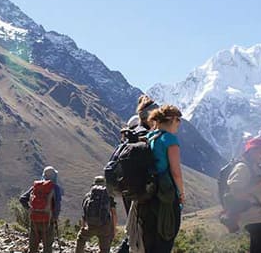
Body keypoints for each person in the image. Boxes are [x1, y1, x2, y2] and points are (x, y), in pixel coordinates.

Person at [115, 95, 159, 253]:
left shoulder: (128, 140)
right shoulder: (145, 137)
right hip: (141, 192)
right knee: (142, 232)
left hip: (128, 190)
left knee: (133, 228)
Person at [141, 104, 185, 252]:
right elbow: (176, 172)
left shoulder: (149, 137)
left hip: (147, 194)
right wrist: (181, 194)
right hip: (165, 196)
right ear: (172, 120)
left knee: (149, 240)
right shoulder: (170, 139)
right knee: (165, 237)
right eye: (179, 120)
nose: (179, 124)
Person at [226, 138, 261, 253]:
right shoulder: (242, 167)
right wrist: (259, 183)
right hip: (254, 217)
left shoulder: (257, 168)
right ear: (252, 151)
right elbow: (236, 193)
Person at [20, 166, 63, 253]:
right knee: (47, 246)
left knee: (33, 246)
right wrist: (55, 217)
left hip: (34, 220)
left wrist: (30, 209)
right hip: (48, 221)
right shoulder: (55, 188)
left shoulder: (36, 186)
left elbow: (22, 198)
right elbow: (57, 205)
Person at [75, 176, 117, 253]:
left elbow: (85, 212)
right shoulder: (108, 195)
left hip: (90, 225)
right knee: (105, 249)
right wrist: (113, 229)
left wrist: (83, 226)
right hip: (104, 226)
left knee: (81, 239)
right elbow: (113, 213)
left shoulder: (88, 196)